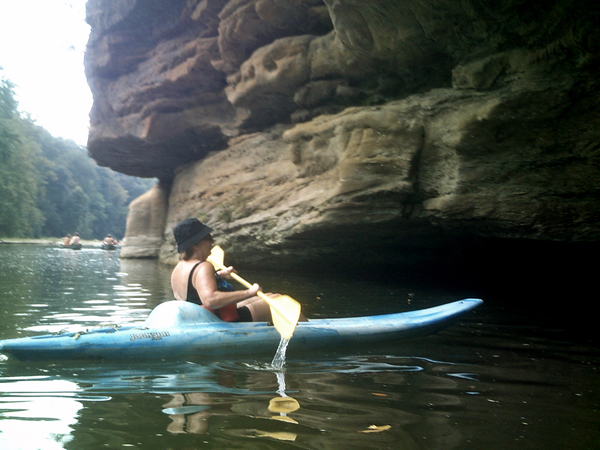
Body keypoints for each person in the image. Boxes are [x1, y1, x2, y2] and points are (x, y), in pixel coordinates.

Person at [170, 218, 274, 322]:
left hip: (198, 320)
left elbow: (194, 288)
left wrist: (219, 274)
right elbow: (210, 299)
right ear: (196, 245)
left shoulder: (178, 268)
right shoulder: (204, 266)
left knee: (268, 296)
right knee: (276, 298)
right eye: (208, 237)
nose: (212, 241)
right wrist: (249, 292)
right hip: (220, 323)